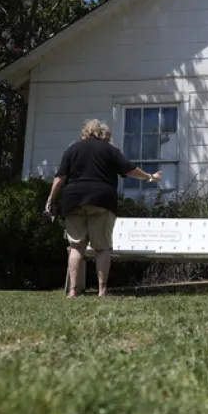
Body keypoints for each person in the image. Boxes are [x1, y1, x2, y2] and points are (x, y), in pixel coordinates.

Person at [46, 119, 160, 297]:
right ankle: (102, 290)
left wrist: (50, 200)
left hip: (73, 200)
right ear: (105, 134)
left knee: (76, 247)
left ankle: (74, 291)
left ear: (86, 132)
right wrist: (149, 177)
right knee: (102, 247)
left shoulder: (72, 149)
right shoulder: (110, 150)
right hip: (102, 199)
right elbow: (130, 170)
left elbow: (60, 177)